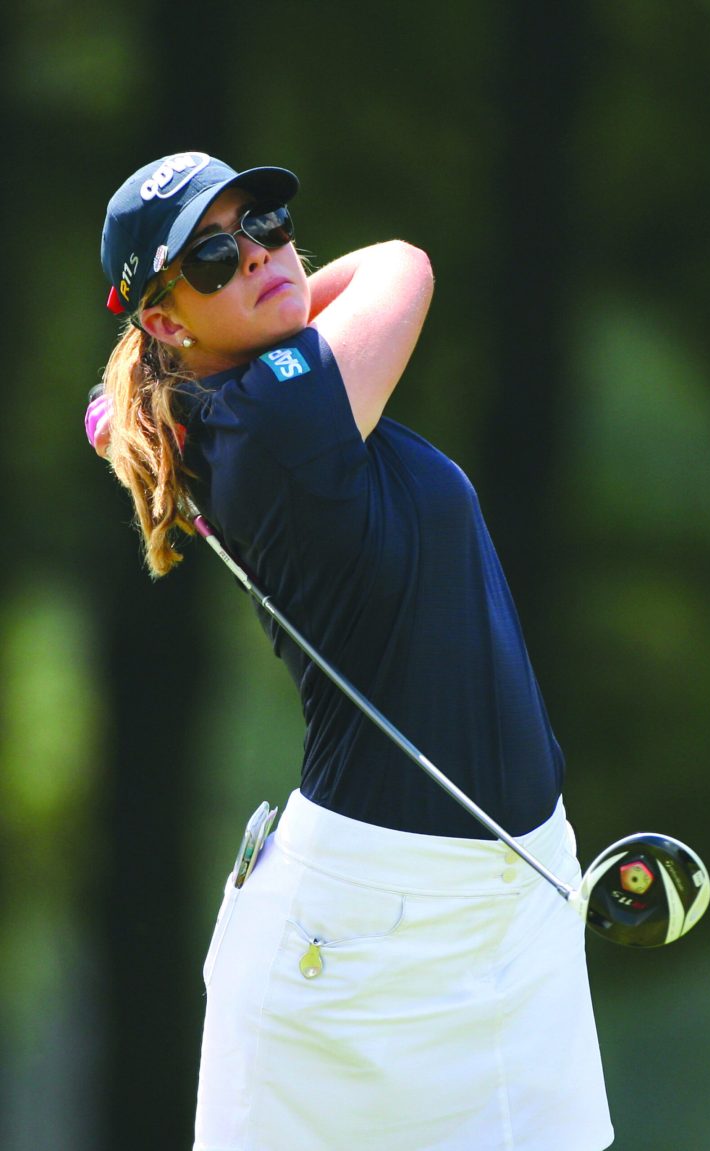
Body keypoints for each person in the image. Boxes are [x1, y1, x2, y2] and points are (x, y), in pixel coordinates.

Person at [87, 149, 614, 1151]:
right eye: (210, 257)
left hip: (510, 895)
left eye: (268, 223)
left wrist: (191, 348)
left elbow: (276, 323)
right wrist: (214, 351)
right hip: (366, 935)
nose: (260, 256)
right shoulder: (282, 415)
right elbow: (401, 265)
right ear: (161, 319)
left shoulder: (246, 408)